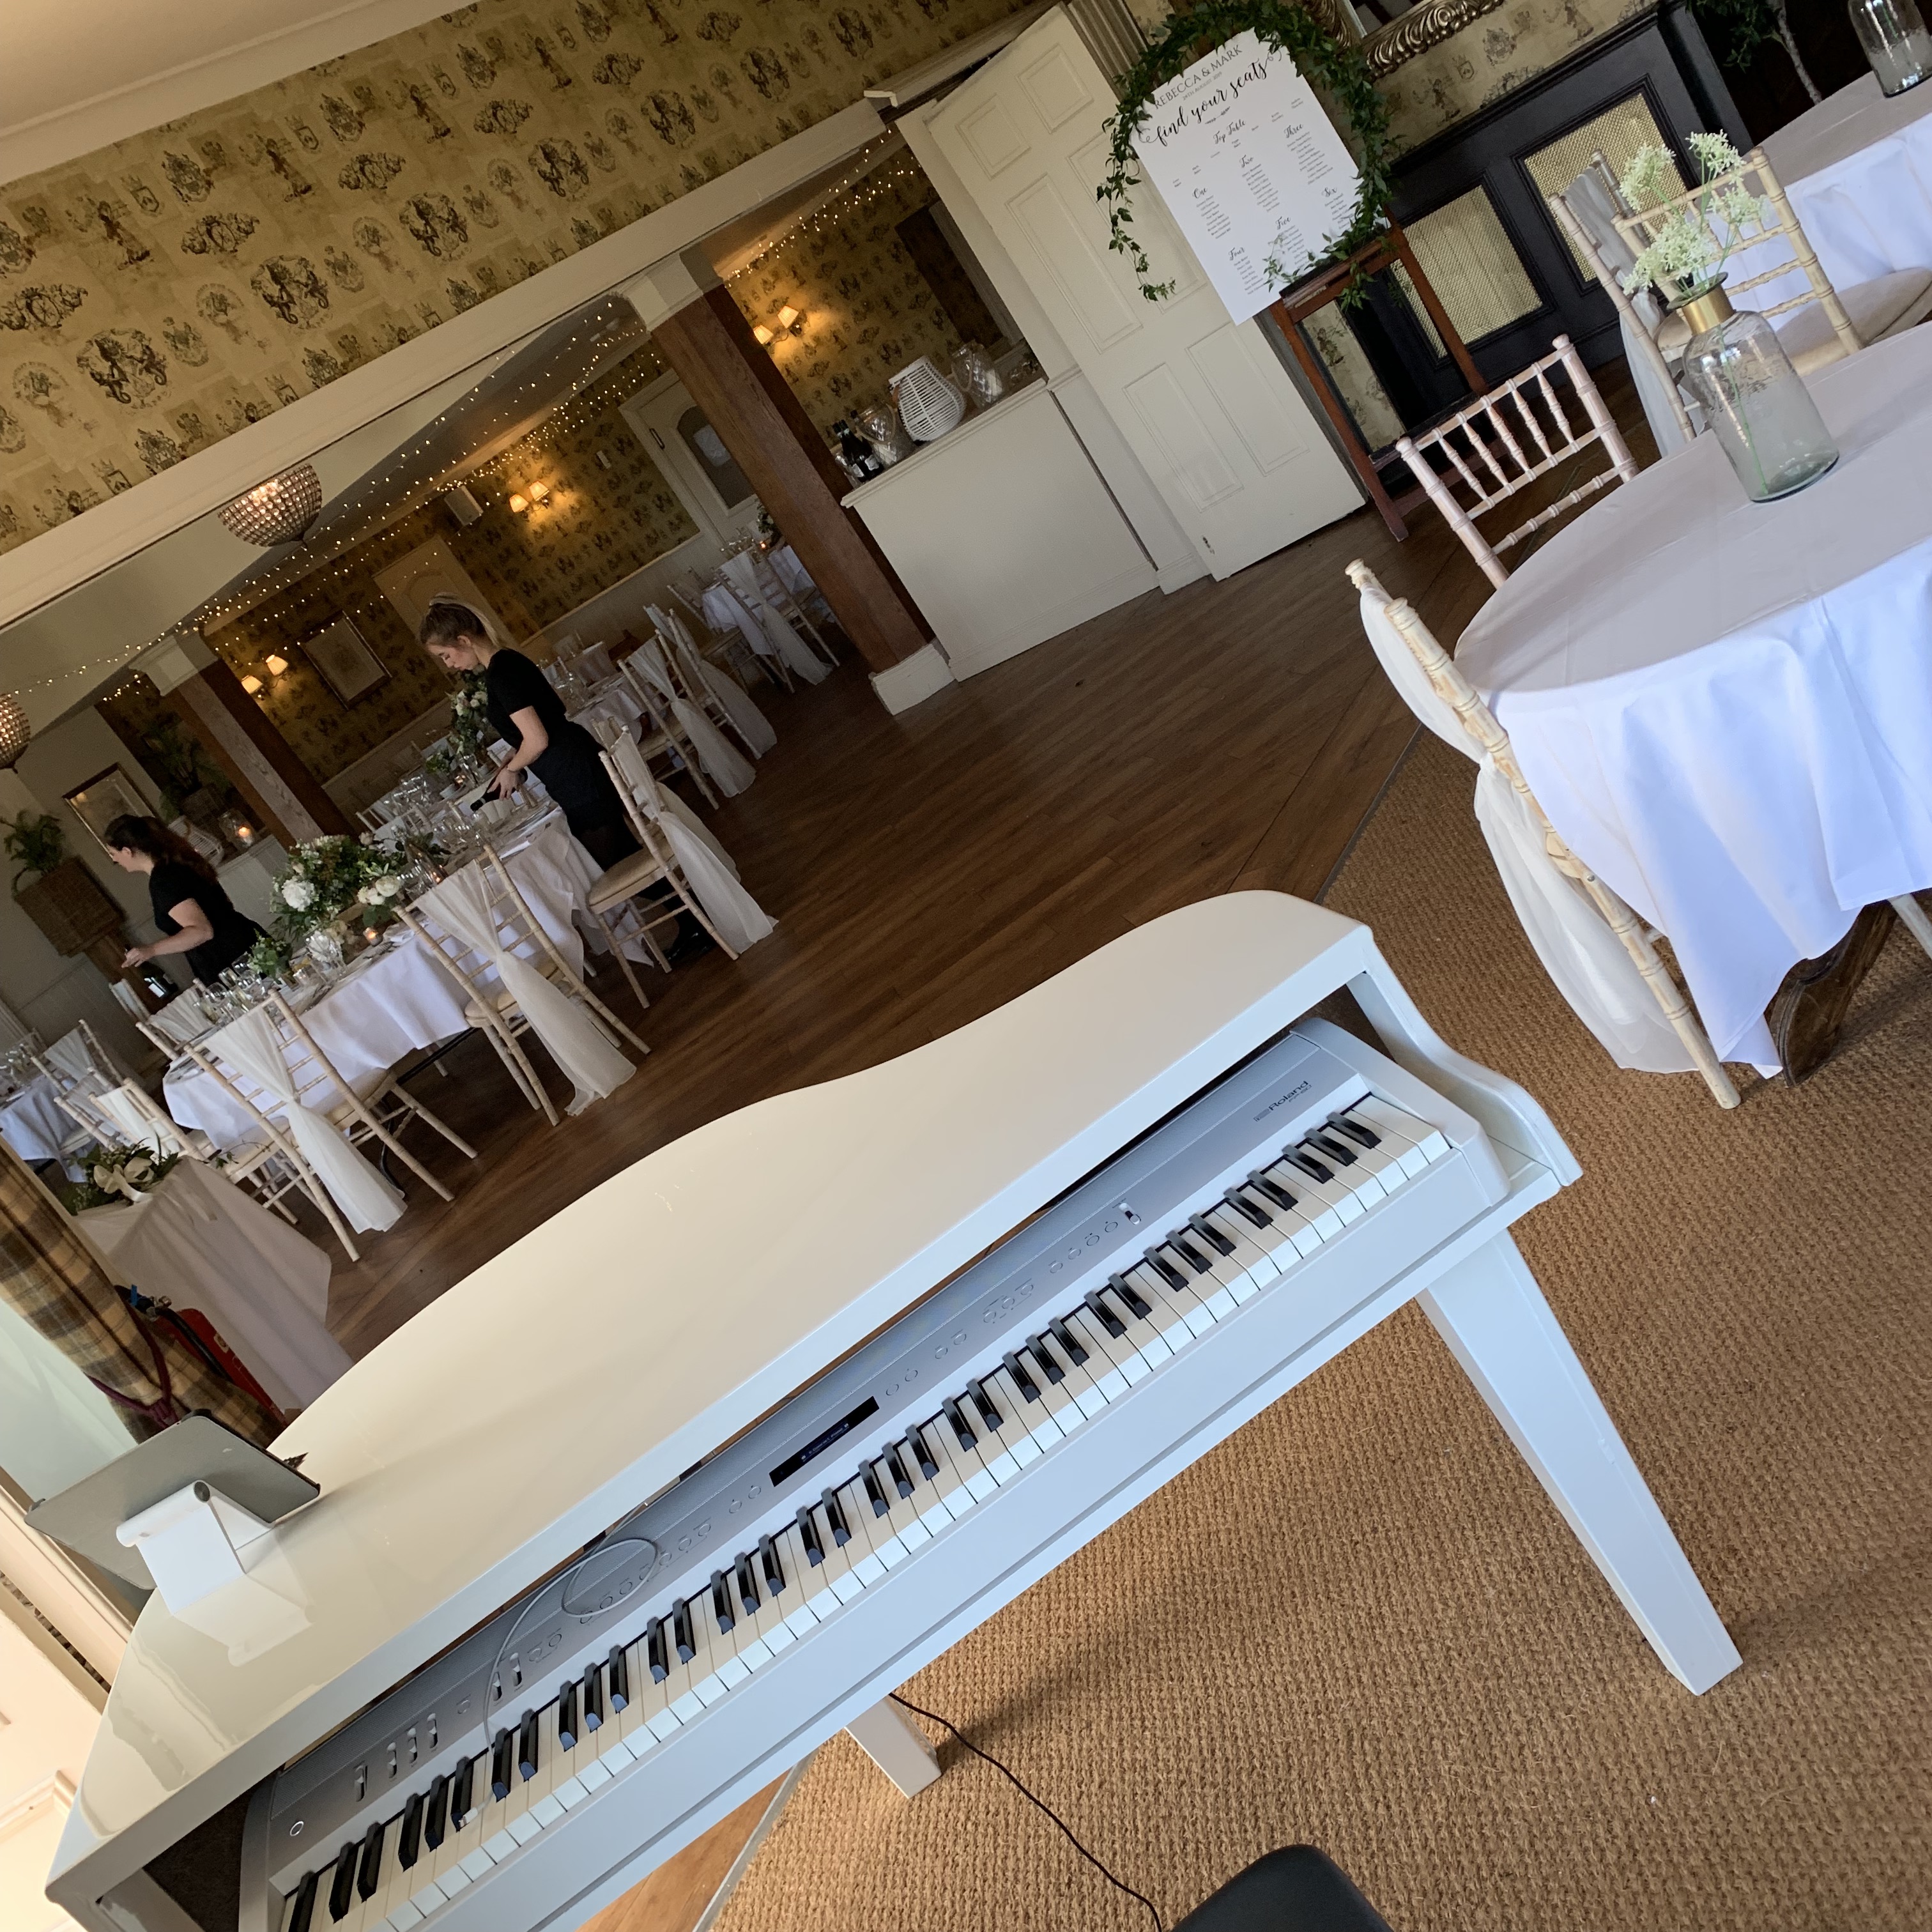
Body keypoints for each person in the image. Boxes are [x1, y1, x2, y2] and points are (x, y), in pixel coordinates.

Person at [417, 601, 641, 868]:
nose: (449, 664)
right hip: (574, 763)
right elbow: (542, 723)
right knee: (625, 856)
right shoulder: (507, 661)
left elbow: (538, 740)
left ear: (463, 640)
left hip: (573, 772)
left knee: (621, 863)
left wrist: (512, 769)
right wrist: (513, 757)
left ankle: (691, 905)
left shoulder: (501, 673)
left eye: (445, 655)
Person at [105, 815, 265, 985]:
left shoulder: (163, 880)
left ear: (127, 851)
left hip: (234, 963)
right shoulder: (180, 863)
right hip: (248, 944)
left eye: (113, 854)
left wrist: (150, 950)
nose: (114, 860)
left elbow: (202, 931)